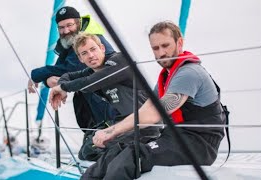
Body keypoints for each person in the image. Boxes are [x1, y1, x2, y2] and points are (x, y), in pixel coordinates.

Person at [81, 21, 227, 179]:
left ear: (179, 43)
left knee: (130, 157)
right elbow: (145, 110)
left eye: (166, 45)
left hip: (198, 146)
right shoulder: (167, 77)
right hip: (174, 137)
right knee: (117, 150)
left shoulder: (189, 73)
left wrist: (111, 131)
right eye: (155, 48)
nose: (161, 53)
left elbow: (154, 114)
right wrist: (113, 133)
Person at [49, 32, 160, 161]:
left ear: (102, 48)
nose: (91, 55)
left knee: (98, 149)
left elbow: (92, 82)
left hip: (147, 124)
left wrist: (62, 88)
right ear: (80, 58)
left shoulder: (120, 60)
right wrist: (62, 88)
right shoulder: (92, 70)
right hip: (123, 122)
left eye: (93, 49)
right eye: (84, 53)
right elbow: (68, 77)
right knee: (87, 151)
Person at [28, 6, 117, 129]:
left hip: (108, 98)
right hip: (92, 99)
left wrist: (36, 75)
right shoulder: (70, 42)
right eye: (61, 27)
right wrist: (47, 81)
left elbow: (71, 69)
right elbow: (60, 69)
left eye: (69, 25)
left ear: (78, 23)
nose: (66, 31)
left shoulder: (88, 39)